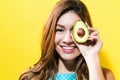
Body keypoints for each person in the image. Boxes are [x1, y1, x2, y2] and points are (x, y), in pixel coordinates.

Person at [19, 0, 115, 80]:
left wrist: (92, 56)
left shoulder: (105, 75)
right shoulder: (30, 77)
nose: (67, 39)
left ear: (87, 32)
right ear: (50, 33)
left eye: (75, 31)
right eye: (60, 30)